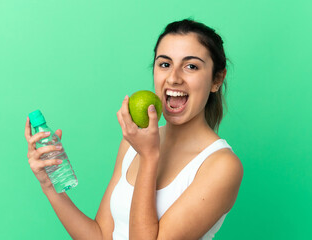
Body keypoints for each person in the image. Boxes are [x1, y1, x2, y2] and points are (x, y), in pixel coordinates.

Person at [25, 19, 243, 240]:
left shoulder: (222, 166)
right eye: (165, 64)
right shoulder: (133, 143)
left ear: (217, 79)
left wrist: (149, 157)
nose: (174, 78)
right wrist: (49, 186)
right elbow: (100, 235)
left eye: (191, 66)